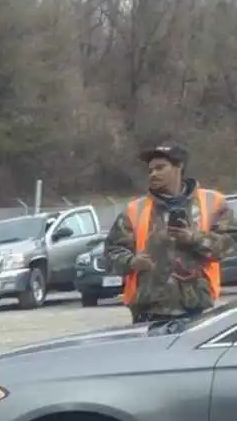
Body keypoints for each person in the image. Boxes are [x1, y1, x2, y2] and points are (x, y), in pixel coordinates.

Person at [100, 139, 235, 325]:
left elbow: (230, 245)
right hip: (148, 312)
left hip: (198, 309)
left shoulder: (213, 203)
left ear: (179, 166)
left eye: (160, 168)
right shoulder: (134, 210)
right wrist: (132, 262)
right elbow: (111, 253)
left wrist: (194, 239)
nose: (153, 174)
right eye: (150, 170)